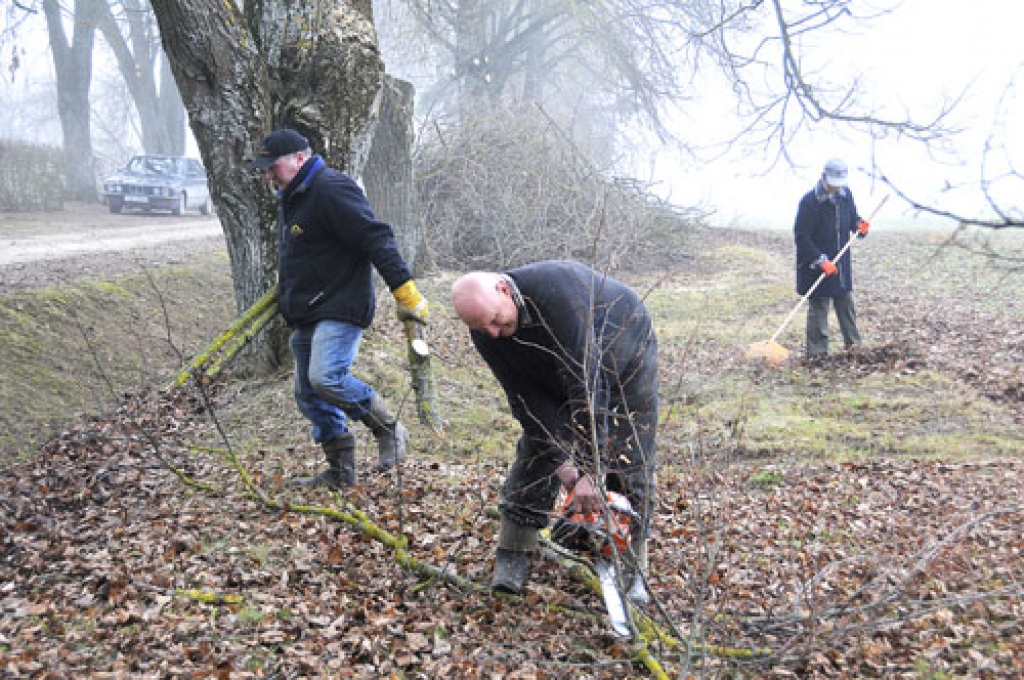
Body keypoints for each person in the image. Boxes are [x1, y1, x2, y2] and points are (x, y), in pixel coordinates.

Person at [450, 261, 658, 597]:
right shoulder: (486, 331)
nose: (490, 332)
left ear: (504, 290)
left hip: (624, 351)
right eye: (478, 327)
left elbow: (589, 389)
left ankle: (632, 567)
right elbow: (524, 400)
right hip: (549, 368)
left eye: (492, 320)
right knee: (536, 450)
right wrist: (563, 466)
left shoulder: (559, 296)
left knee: (627, 448)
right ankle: (514, 554)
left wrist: (593, 471)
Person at [249, 128, 429, 489]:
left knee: (325, 377)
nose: (268, 174)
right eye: (265, 168)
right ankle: (340, 472)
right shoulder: (294, 195)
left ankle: (389, 429)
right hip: (307, 311)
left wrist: (405, 290)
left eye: (274, 166)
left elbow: (375, 236)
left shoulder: (331, 188)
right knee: (307, 393)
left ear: (299, 158)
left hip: (340, 304)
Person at [793, 157, 870, 360]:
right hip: (816, 267)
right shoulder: (809, 202)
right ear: (823, 177)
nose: (835, 188)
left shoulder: (846, 196)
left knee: (846, 305)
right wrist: (820, 260)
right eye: (831, 183)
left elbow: (852, 219)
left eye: (839, 184)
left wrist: (860, 226)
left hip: (840, 265)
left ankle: (854, 348)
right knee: (819, 309)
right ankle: (818, 355)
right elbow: (802, 237)